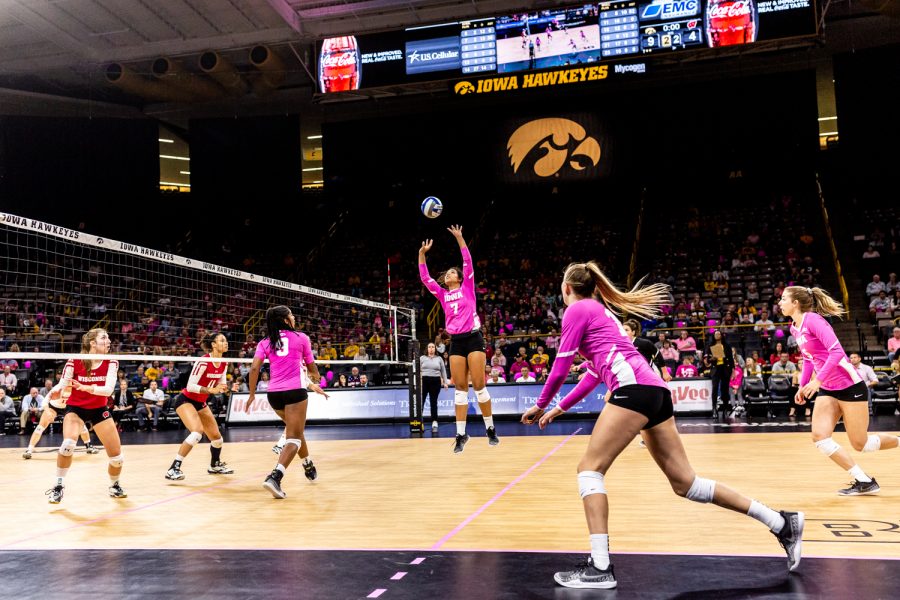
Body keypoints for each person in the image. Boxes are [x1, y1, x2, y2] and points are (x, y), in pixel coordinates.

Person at [520, 262, 803, 589]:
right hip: (655, 391)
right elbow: (595, 374)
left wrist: (540, 404)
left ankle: (600, 567)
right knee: (687, 484)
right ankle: (782, 522)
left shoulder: (577, 310)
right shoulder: (598, 310)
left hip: (634, 391)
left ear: (566, 288)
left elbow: (560, 366)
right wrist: (560, 407)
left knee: (589, 470)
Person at [779, 286, 899, 495]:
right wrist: (803, 385)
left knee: (861, 444)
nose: (780, 303)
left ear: (795, 303)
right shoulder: (794, 328)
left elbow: (837, 352)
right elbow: (808, 358)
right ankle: (863, 480)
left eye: (783, 299)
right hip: (828, 389)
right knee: (819, 436)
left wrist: (817, 381)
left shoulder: (813, 320)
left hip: (850, 386)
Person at [419, 225, 499, 453]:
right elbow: (425, 278)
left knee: (480, 385)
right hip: (457, 342)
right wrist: (421, 254)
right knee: (460, 389)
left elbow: (468, 262)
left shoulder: (467, 288)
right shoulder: (443, 294)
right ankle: (461, 434)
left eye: (453, 272)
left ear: (459, 278)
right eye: (448, 273)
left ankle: (490, 428)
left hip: (473, 338)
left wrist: (460, 238)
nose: (449, 274)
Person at [248, 306, 323, 499]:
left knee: (294, 431)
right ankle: (275, 477)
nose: (294, 316)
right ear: (285, 319)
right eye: (291, 314)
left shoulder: (265, 341)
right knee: (294, 438)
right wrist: (315, 378)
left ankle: (307, 463)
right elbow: (313, 369)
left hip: (274, 395)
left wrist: (251, 394)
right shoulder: (301, 338)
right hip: (295, 392)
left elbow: (255, 368)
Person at [46, 329, 125, 503]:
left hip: (99, 409)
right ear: (93, 343)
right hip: (76, 409)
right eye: (104, 337)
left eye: (109, 337)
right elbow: (62, 385)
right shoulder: (75, 361)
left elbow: (109, 389)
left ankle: (114, 485)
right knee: (68, 444)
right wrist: (52, 395)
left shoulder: (112, 361)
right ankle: (58, 486)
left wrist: (87, 387)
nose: (109, 340)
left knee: (117, 458)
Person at [164, 332, 234, 481]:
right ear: (213, 345)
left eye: (226, 340)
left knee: (217, 438)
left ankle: (215, 465)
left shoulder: (224, 362)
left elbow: (220, 385)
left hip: (200, 402)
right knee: (197, 432)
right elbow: (190, 386)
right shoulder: (203, 361)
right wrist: (210, 390)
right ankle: (173, 468)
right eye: (222, 340)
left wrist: (226, 388)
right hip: (185, 399)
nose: (226, 343)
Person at [22, 383, 99, 459]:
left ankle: (89, 446)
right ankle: (29, 450)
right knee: (40, 427)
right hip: (54, 407)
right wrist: (48, 413)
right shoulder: (57, 388)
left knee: (81, 426)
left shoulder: (77, 388)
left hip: (68, 407)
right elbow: (44, 402)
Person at [420, 342, 448, 434]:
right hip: (424, 381)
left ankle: (434, 422)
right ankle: (419, 422)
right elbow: (417, 370)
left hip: (435, 381)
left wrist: (445, 382)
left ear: (435, 349)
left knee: (433, 402)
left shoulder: (439, 358)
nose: (431, 348)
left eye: (433, 347)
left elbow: (443, 370)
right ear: (427, 349)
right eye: (429, 347)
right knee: (421, 401)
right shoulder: (422, 358)